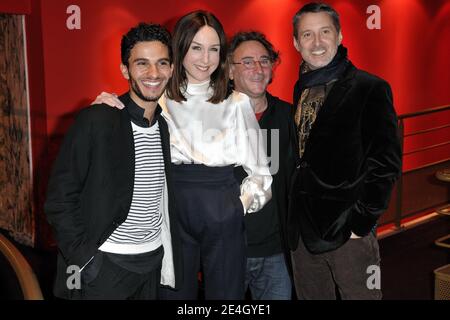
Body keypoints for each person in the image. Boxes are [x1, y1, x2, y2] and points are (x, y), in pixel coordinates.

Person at [92, 11, 272, 300]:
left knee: (226, 296)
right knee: (173, 293)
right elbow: (124, 119)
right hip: (169, 205)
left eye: (214, 49)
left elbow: (261, 173)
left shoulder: (237, 101)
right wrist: (105, 104)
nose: (205, 59)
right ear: (180, 48)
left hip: (221, 203)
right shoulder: (159, 96)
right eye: (196, 48)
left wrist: (238, 205)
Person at [44, 23, 182, 300]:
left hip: (152, 260)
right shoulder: (97, 119)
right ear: (125, 70)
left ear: (171, 68)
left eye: (161, 63)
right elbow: (59, 199)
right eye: (142, 64)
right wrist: (86, 259)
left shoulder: (164, 126)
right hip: (105, 265)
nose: (153, 73)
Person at [287, 2, 402, 300]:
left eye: (325, 31)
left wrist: (361, 224)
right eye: (307, 34)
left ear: (339, 36)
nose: (317, 42)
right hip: (302, 235)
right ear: (296, 42)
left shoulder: (370, 87)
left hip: (348, 234)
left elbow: (386, 164)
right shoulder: (301, 88)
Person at [228, 31, 296, 300]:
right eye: (246, 61)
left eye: (264, 60)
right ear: (229, 71)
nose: (257, 68)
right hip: (228, 252)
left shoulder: (290, 117)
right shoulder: (212, 119)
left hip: (276, 253)